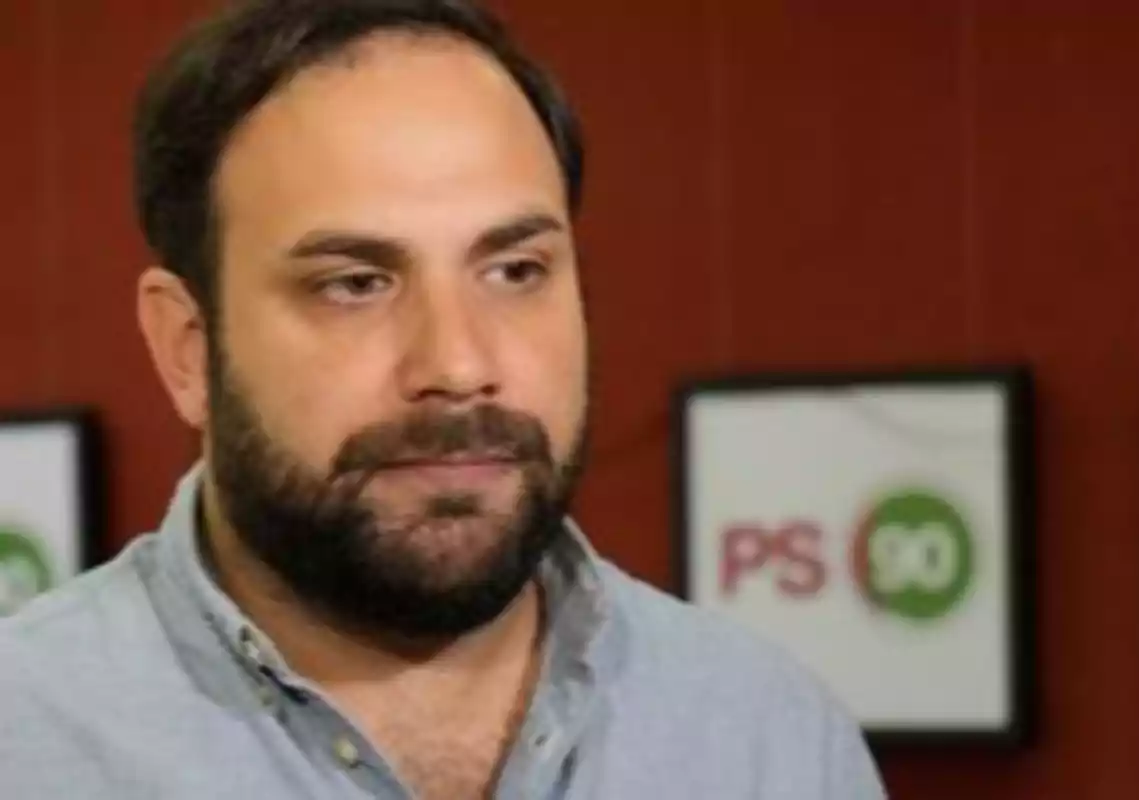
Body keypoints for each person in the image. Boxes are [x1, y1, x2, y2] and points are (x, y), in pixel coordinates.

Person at [0, 1, 886, 797]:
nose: (458, 363)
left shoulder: (772, 740)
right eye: (355, 283)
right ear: (187, 349)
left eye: (514, 270)